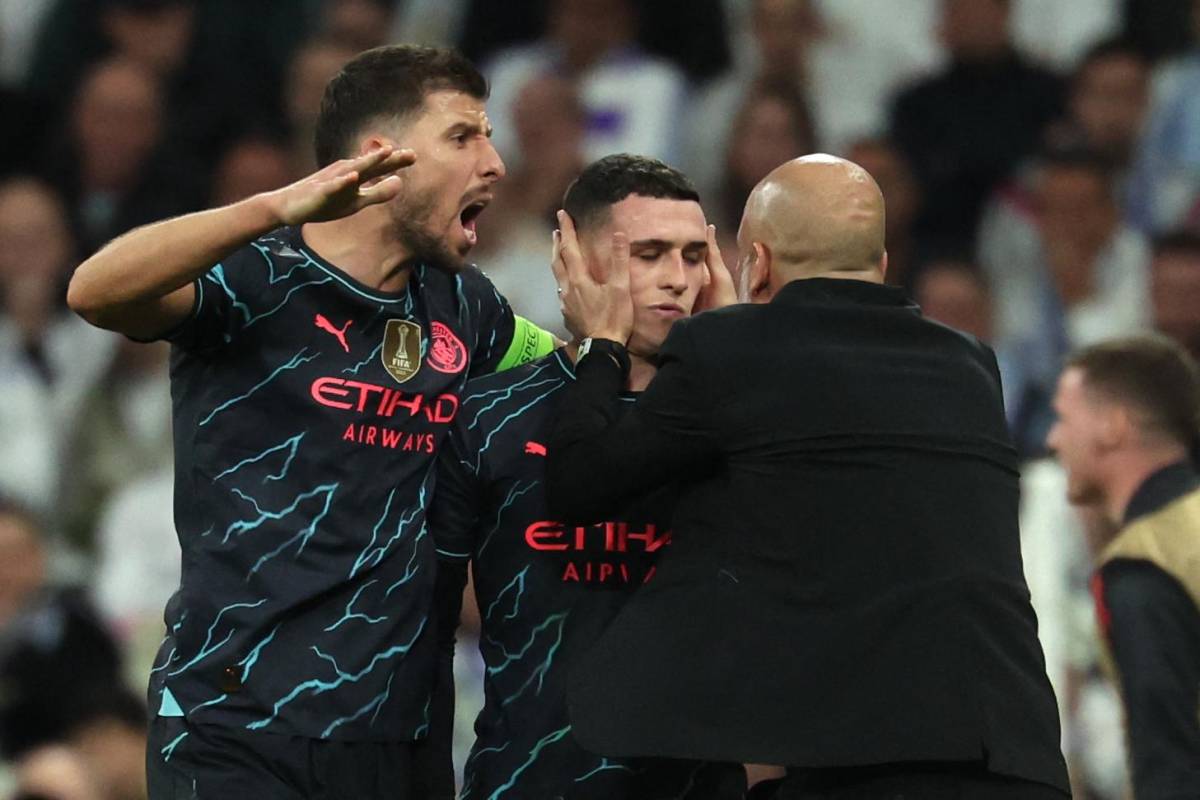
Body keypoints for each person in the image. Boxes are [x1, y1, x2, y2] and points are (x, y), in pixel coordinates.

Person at [67, 44, 557, 798]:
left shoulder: (471, 308)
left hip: (401, 738)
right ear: (379, 160)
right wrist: (276, 205)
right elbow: (97, 292)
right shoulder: (255, 278)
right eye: (463, 137)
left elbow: (567, 378)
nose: (494, 162)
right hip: (236, 729)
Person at [545, 154, 1070, 797]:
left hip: (859, 766)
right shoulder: (971, 366)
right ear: (878, 266)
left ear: (757, 263)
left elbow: (577, 484)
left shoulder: (730, 354)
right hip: (1012, 755)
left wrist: (603, 343)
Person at [429, 154, 743, 798]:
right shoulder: (487, 416)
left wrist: (735, 357)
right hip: (525, 780)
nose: (678, 279)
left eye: (692, 256)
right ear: (574, 260)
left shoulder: (742, 422)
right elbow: (426, 623)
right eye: (649, 253)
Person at [1046, 335, 1200, 798]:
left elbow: (1168, 762)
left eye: (1064, 418)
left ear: (1112, 427)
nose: (1053, 438)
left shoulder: (1143, 565)